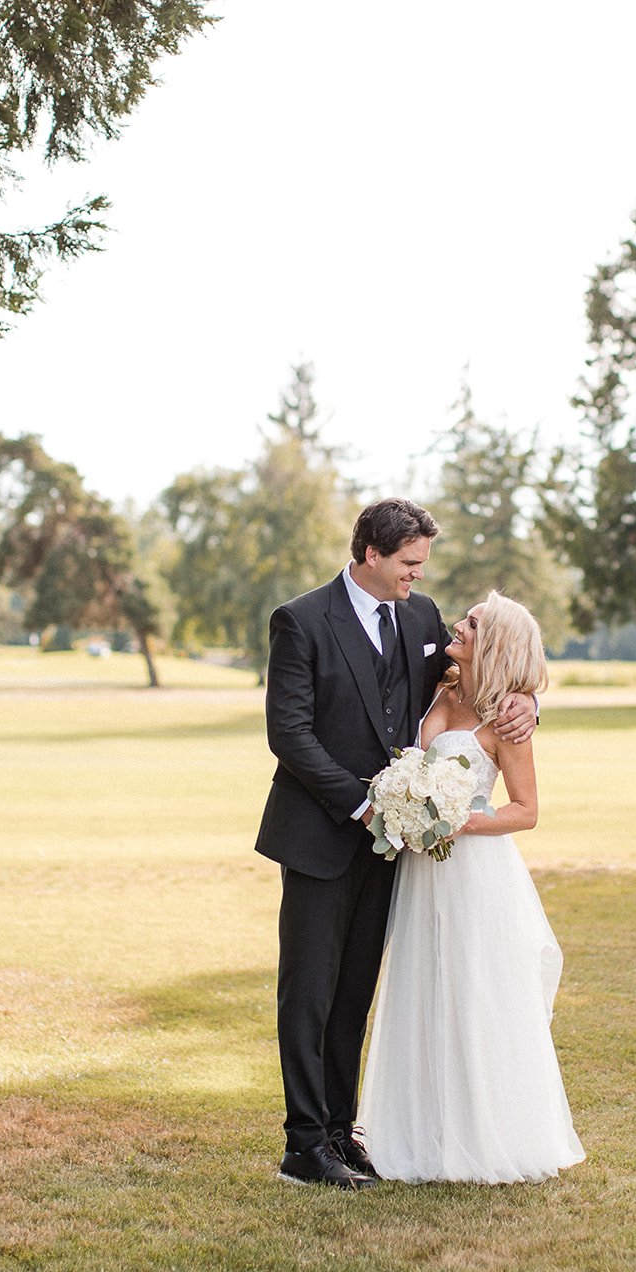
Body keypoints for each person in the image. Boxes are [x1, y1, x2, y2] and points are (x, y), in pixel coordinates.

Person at [256, 500, 537, 1189]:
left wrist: (528, 702)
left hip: (397, 849)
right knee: (310, 990)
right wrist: (363, 806)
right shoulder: (301, 620)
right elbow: (289, 734)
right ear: (371, 556)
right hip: (322, 832)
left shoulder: (419, 615)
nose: (418, 576)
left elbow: (484, 671)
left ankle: (338, 1131)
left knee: (356, 990)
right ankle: (302, 1145)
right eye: (409, 563)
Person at [357, 591, 586, 1183]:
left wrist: (460, 819)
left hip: (474, 871)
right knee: (421, 985)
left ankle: (485, 1136)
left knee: (474, 992)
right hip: (422, 867)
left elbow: (527, 810)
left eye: (473, 623)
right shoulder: (442, 683)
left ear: (499, 643)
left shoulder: (507, 718)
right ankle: (413, 1136)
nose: (457, 624)